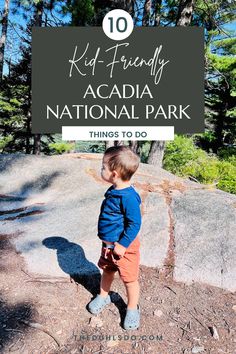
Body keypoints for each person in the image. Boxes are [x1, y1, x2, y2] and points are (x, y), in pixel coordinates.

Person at [87, 145, 142, 330]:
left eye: (103, 167)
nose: (101, 169)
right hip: (108, 245)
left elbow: (134, 224)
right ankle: (103, 295)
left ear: (115, 173)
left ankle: (132, 308)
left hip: (124, 248)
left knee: (129, 279)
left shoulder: (129, 197)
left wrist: (123, 244)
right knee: (107, 271)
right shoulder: (114, 189)